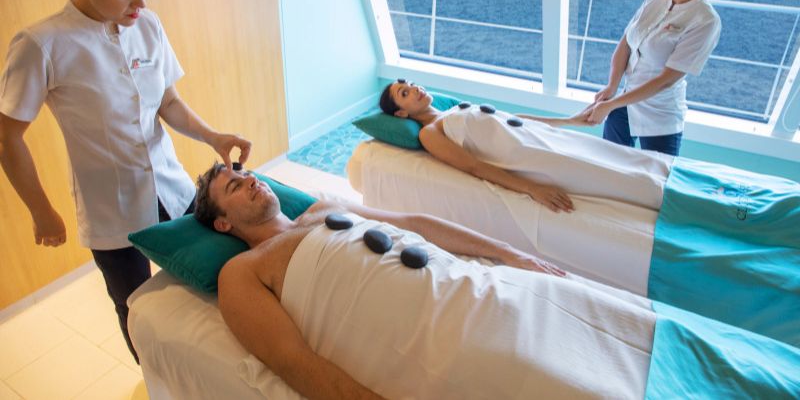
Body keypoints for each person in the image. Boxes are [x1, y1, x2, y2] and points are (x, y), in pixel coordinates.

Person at [194, 164, 799, 399]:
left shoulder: (322, 210)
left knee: (640, 329)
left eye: (246, 172)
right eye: (232, 185)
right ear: (221, 221)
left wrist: (510, 253)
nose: (248, 180)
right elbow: (294, 362)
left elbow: (417, 224)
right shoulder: (242, 273)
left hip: (495, 290)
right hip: (457, 338)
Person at [0, 0, 250, 362]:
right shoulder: (43, 44)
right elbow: (8, 136)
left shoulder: (147, 26)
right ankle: (160, 381)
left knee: (212, 275)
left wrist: (213, 136)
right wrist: (41, 211)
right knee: (136, 307)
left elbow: (167, 103)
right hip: (111, 210)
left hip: (172, 188)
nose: (141, 5)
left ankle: (218, 368)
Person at [379, 80, 674, 212]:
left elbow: (511, 119)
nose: (416, 89)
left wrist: (569, 122)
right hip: (533, 157)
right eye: (405, 93)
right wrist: (532, 189)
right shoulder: (429, 133)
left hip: (542, 138)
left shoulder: (451, 109)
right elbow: (473, 166)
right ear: (402, 114)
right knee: (619, 176)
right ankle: (674, 203)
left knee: (622, 157)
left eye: (413, 84)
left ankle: (677, 186)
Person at [585, 0, 721, 156]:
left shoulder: (705, 21)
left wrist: (611, 104)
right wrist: (612, 86)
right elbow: (626, 42)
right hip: (625, 103)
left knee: (656, 184)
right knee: (608, 163)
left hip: (660, 116)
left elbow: (666, 79)